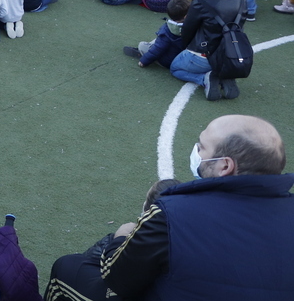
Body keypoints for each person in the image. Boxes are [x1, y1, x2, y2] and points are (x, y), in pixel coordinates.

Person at [102, 114, 293, 299]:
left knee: (72, 270)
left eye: (201, 147)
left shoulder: (171, 215)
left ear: (225, 167)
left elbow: (118, 280)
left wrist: (120, 238)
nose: (196, 151)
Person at [47, 178, 181, 301]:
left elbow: (114, 276)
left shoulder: (148, 241)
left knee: (64, 266)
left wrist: (120, 238)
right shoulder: (192, 237)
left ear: (150, 211)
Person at [168, 0, 249, 100]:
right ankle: (222, 75)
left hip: (204, 55)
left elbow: (188, 29)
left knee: (175, 68)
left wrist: (185, 48)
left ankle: (206, 78)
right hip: (231, 55)